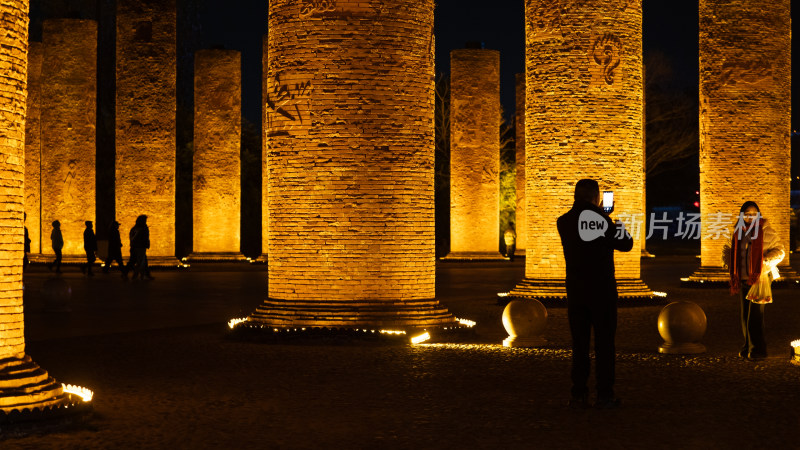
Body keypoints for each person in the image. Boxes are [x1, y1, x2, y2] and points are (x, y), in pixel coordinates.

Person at [557, 179, 633, 409]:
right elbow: (626, 244)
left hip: (576, 291)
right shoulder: (602, 221)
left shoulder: (564, 221)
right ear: (595, 197)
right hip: (602, 291)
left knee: (579, 345)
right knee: (604, 345)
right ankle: (604, 395)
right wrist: (610, 220)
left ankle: (578, 393)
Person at [722, 201, 785, 361]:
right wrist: (728, 258)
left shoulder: (766, 230)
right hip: (743, 277)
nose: (750, 216)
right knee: (744, 316)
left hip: (760, 277)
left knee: (754, 316)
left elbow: (780, 251)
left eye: (754, 213)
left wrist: (764, 260)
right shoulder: (738, 232)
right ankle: (747, 346)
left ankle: (759, 350)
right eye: (747, 214)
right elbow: (733, 251)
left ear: (759, 214)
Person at [127, 215, 153, 280]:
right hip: (140, 247)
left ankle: (144, 275)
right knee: (140, 262)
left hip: (138, 246)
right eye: (145, 220)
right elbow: (135, 238)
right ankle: (136, 275)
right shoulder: (140, 229)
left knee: (142, 261)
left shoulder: (137, 228)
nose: (146, 221)